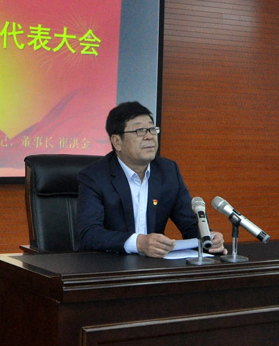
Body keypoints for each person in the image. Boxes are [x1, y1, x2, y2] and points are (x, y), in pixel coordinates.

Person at [75, 101, 225, 257]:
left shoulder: (168, 171)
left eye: (152, 129)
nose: (149, 136)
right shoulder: (95, 177)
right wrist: (138, 243)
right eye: (140, 131)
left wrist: (208, 239)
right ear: (117, 142)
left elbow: (190, 224)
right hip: (110, 265)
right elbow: (88, 234)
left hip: (155, 266)